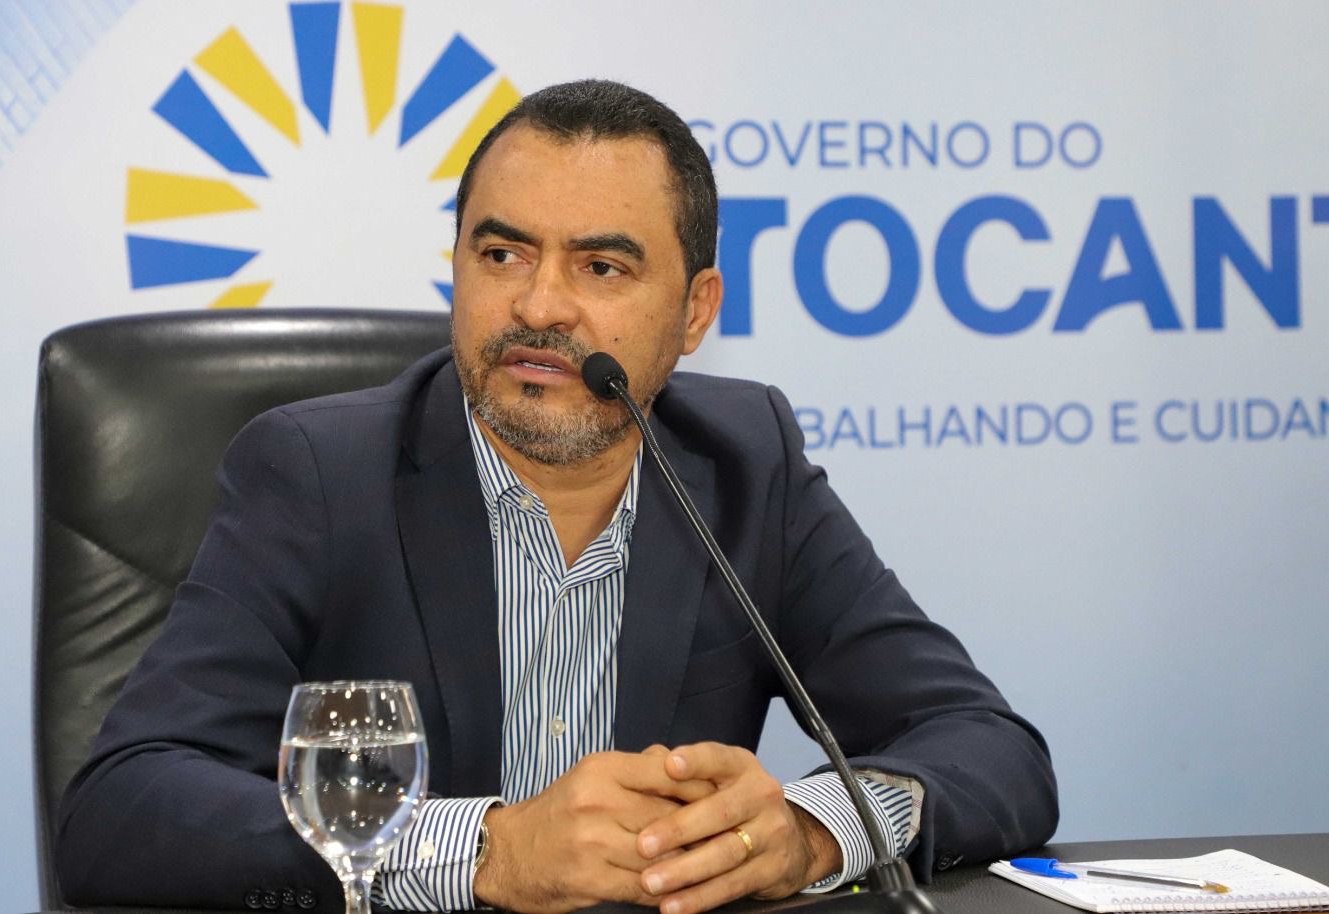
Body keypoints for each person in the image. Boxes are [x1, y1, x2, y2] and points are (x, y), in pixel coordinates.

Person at [55, 79, 1058, 914]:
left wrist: (809, 830)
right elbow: (120, 807)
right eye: (502, 255)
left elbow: (989, 749)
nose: (539, 305)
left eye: (601, 266)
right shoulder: (316, 474)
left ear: (694, 311)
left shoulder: (744, 466)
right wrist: (484, 850)